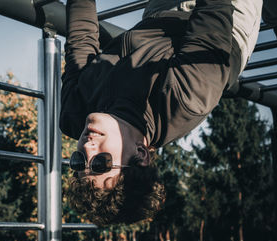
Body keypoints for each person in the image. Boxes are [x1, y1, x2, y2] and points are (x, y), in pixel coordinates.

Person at [60, 0, 263, 226]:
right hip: (222, 20)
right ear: (141, 155)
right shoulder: (185, 99)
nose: (86, 148)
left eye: (79, 162)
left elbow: (81, 40)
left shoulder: (74, 113)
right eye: (100, 163)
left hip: (157, 14)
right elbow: (214, 9)